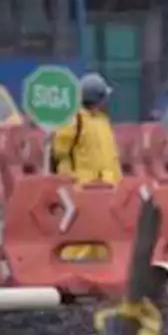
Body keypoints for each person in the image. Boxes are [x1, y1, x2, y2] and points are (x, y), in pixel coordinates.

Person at [50, 73, 121, 260]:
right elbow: (59, 151)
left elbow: (110, 157)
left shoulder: (101, 121)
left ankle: (100, 267)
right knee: (82, 232)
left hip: (106, 187)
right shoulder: (75, 121)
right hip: (82, 187)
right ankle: (71, 266)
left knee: (102, 233)